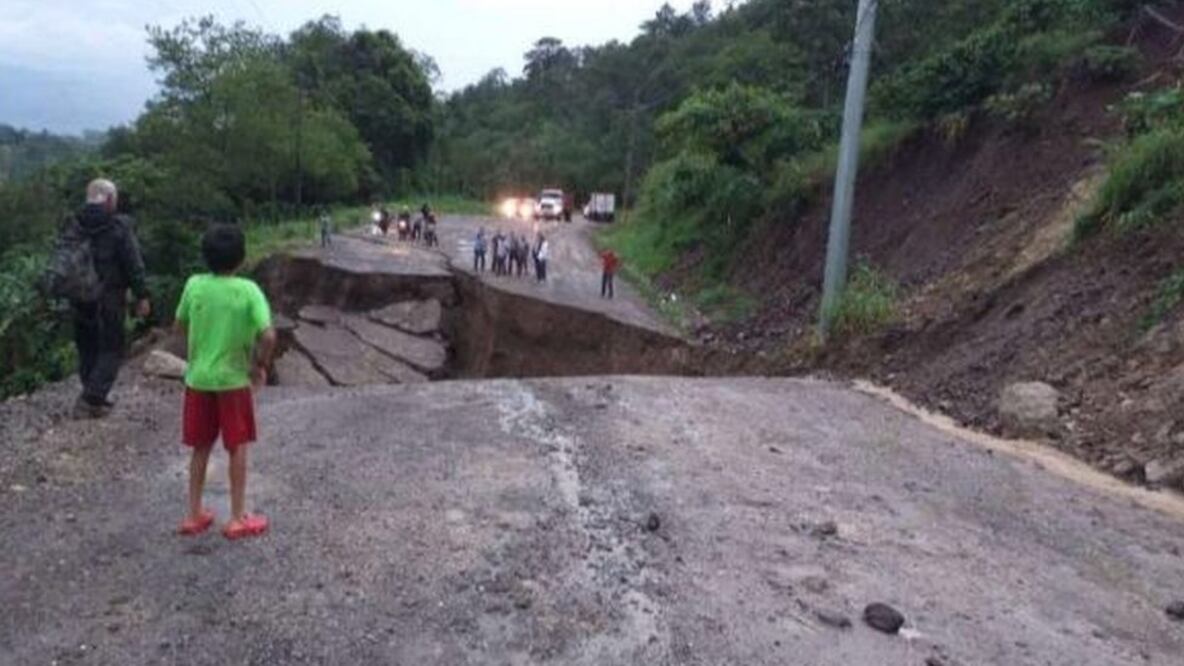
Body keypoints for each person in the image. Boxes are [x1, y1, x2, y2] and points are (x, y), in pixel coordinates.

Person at [175, 224, 277, 541]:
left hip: (198, 379)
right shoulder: (248, 290)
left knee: (201, 446)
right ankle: (236, 517)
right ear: (242, 257)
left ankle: (194, 513)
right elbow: (268, 335)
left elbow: (179, 325)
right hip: (233, 381)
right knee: (237, 446)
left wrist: (198, 348)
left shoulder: (194, 285)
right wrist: (260, 365)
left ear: (205, 256)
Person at [68, 179, 151, 418]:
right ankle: (90, 399)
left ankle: (94, 397)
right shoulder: (118, 226)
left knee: (87, 346)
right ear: (110, 199)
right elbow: (133, 263)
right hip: (109, 297)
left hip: (78, 296)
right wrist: (142, 295)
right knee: (112, 348)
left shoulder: (73, 223)